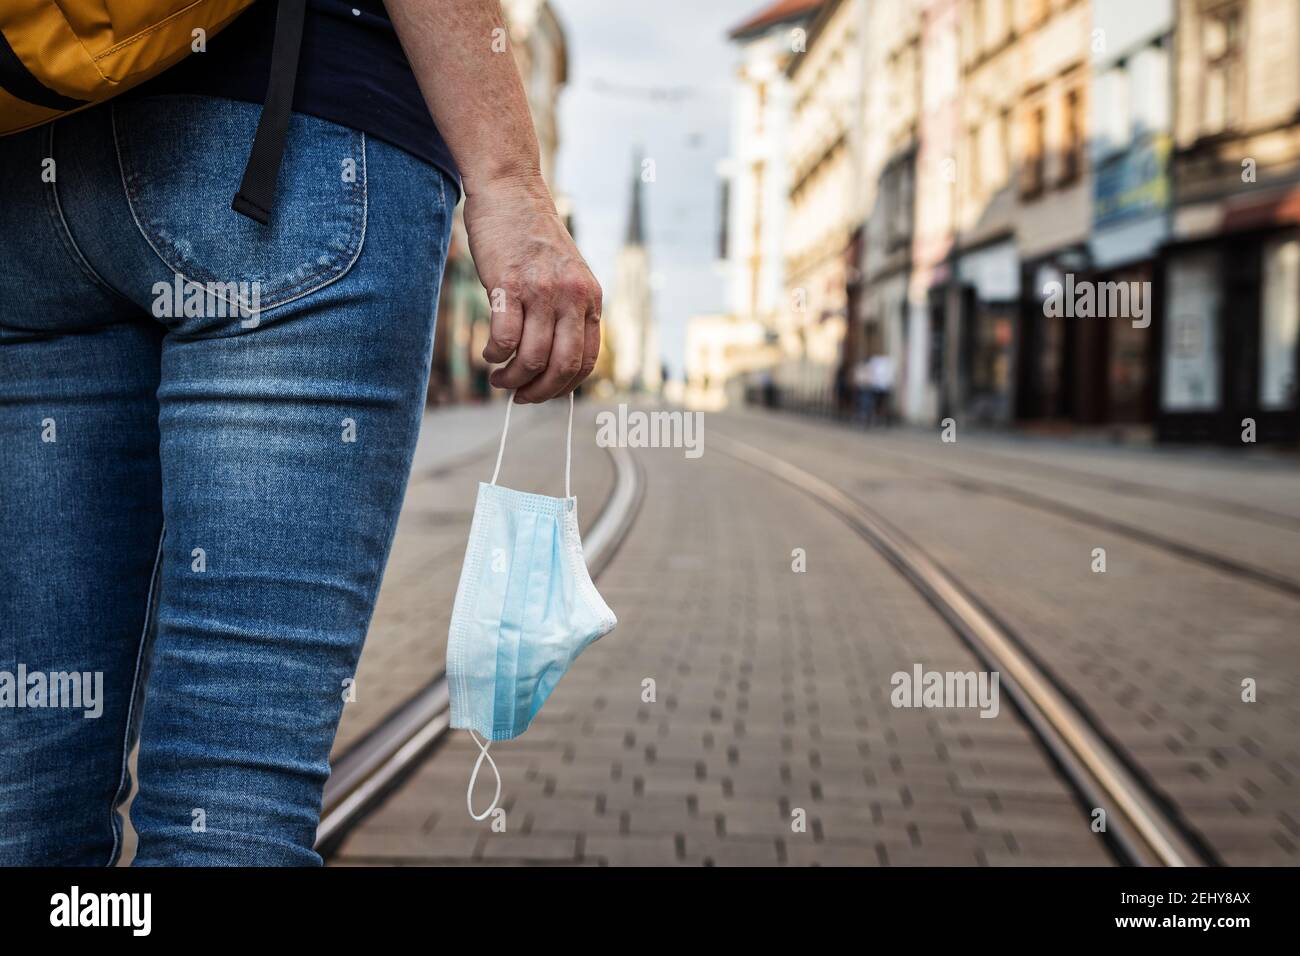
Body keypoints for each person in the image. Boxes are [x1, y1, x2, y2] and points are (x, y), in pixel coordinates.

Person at [0, 0, 601, 866]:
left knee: (25, 779)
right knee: (231, 791)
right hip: (290, 149)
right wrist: (509, 181)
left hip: (32, 164)